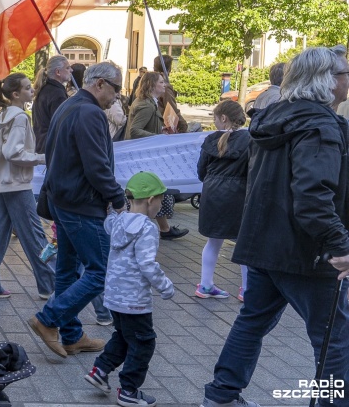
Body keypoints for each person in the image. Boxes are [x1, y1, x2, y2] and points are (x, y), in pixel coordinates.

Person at [201, 47, 349, 407]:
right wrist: (340, 246)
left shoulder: (276, 117)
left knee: (252, 321)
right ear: (327, 81)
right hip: (305, 251)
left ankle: (221, 396)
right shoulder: (318, 126)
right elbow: (312, 197)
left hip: (265, 242)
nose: (348, 79)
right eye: (345, 73)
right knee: (334, 339)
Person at [29, 61, 126, 358]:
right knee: (100, 271)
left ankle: (71, 336)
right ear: (100, 83)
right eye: (116, 89)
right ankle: (48, 319)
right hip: (81, 204)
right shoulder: (89, 112)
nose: (117, 96)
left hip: (64, 200)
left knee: (68, 271)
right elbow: (96, 165)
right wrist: (117, 197)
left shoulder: (70, 105)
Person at [85, 171, 175, 407]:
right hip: (135, 301)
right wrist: (165, 286)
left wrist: (114, 209)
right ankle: (128, 391)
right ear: (150, 200)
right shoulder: (148, 228)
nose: (161, 207)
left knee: (124, 336)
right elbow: (147, 264)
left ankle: (100, 370)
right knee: (144, 343)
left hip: (114, 297)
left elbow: (108, 221)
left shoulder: (118, 221)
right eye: (161, 201)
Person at [0, 73, 53, 299]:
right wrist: (42, 158)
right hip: (15, 183)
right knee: (34, 234)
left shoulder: (6, 114)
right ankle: (49, 285)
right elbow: (13, 153)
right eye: (27, 88)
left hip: (6, 182)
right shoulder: (19, 117)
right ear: (16, 94)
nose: (32, 90)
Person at [195, 100, 249, 301]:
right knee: (243, 243)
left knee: (213, 241)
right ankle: (247, 290)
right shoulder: (250, 140)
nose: (214, 122)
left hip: (212, 194)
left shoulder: (210, 140)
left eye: (215, 118)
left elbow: (201, 171)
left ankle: (206, 285)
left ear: (223, 118)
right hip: (239, 195)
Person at [125, 72, 188, 240]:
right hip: (144, 156)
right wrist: (158, 137)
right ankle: (157, 229)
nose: (164, 85)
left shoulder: (148, 102)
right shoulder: (146, 105)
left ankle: (162, 228)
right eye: (161, 82)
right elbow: (135, 130)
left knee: (150, 192)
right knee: (152, 192)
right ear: (152, 85)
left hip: (143, 155)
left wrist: (160, 130)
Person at [32, 55, 71, 153]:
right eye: (67, 68)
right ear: (58, 72)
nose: (71, 70)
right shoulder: (57, 94)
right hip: (52, 146)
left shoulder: (44, 89)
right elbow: (62, 125)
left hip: (41, 144)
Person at [152, 55, 188, 133]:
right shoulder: (164, 87)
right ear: (169, 69)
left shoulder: (150, 83)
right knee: (196, 127)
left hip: (155, 125)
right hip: (163, 127)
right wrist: (183, 125)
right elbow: (173, 109)